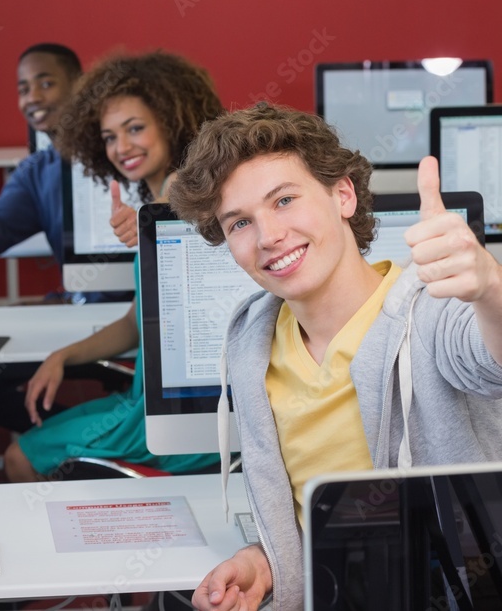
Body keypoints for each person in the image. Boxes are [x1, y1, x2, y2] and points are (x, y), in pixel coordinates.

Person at [168, 103, 502, 611]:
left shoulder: (433, 314)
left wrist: (490, 287)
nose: (268, 237)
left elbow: (490, 360)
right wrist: (266, 562)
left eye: (284, 200)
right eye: (240, 223)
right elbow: (317, 520)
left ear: (343, 195)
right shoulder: (252, 343)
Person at [3, 51, 225, 482]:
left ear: (172, 121)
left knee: (18, 457)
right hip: (150, 404)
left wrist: (155, 219)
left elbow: (183, 209)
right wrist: (63, 355)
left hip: (172, 414)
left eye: (135, 128)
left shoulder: (185, 190)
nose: (121, 148)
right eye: (109, 136)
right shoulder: (162, 195)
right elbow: (134, 322)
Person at [0, 43, 81, 264]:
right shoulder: (35, 172)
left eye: (46, 84)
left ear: (79, 85)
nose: (32, 98)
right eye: (24, 90)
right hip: (79, 286)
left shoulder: (122, 153)